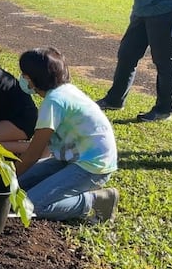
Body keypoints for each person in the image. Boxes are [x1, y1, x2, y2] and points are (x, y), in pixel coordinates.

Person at [16, 48, 119, 222]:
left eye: (24, 75)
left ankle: (97, 200)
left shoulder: (53, 102)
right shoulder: (64, 90)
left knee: (29, 205)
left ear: (33, 79)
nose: (23, 79)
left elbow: (32, 154)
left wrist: (6, 180)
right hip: (71, 159)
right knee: (18, 189)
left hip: (92, 167)